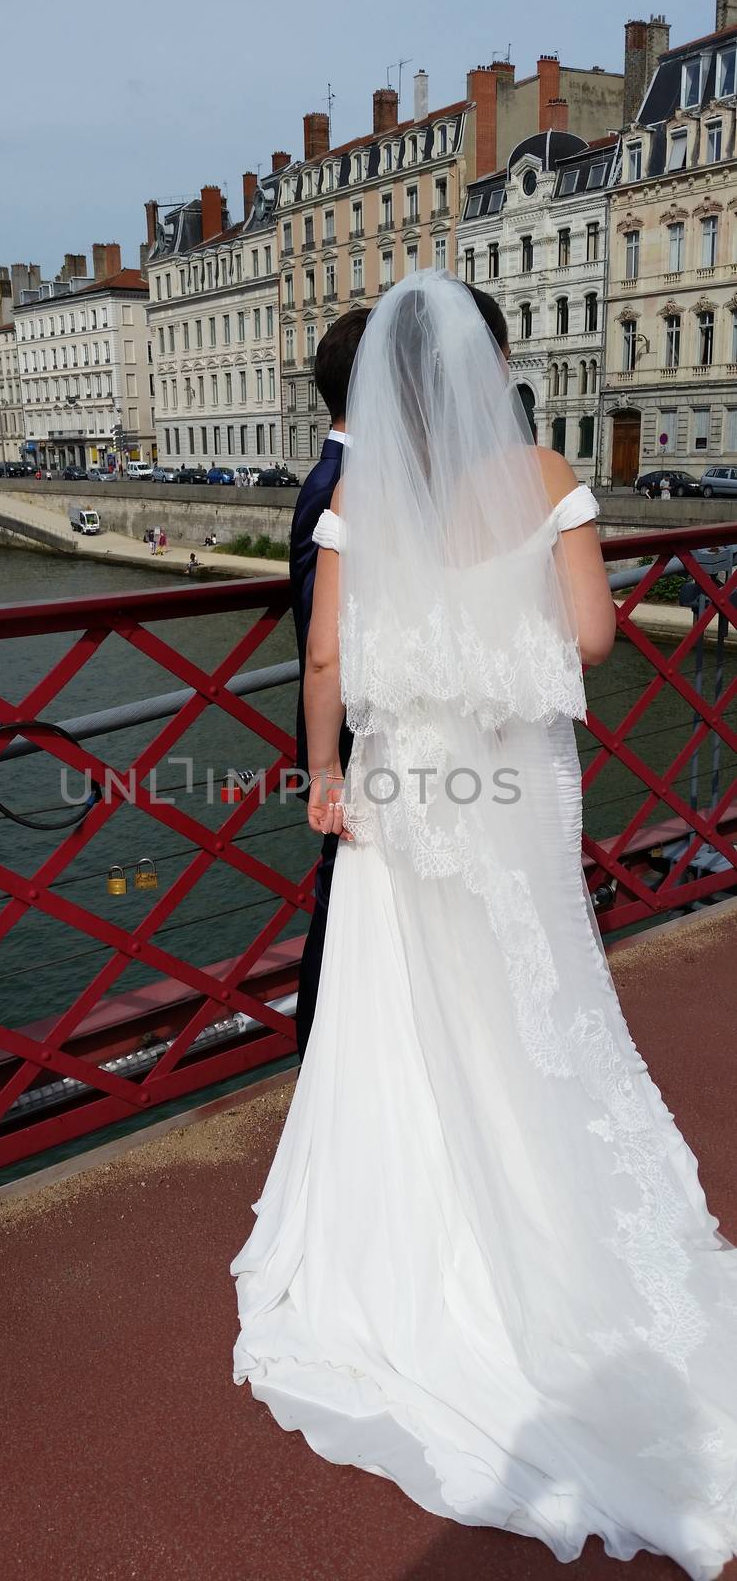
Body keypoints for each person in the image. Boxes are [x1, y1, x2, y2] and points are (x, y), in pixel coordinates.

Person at [231, 272, 737, 1577]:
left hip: (405, 788)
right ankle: (560, 1225)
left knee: (401, 1008)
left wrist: (327, 778)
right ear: (485, 365)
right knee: (538, 997)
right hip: (512, 784)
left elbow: (330, 665)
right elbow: (592, 635)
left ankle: (423, 1242)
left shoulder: (356, 501)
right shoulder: (546, 467)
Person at [289, 307, 370, 1062]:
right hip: (349, 738)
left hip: (363, 730)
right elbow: (325, 640)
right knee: (337, 896)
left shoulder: (349, 474)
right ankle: (316, 1047)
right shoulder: (335, 483)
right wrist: (328, 766)